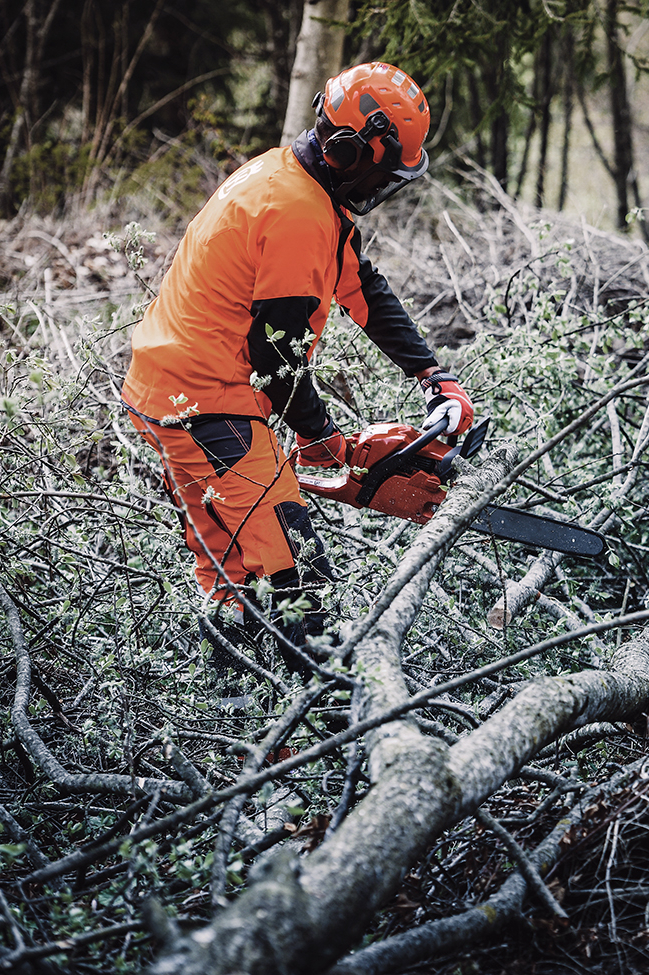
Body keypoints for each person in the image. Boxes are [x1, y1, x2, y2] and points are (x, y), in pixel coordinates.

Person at [121, 62, 472, 674]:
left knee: (232, 576)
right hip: (205, 406)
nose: (381, 187)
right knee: (297, 575)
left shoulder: (291, 178)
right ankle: (323, 711)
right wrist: (326, 443)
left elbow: (361, 285)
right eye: (382, 173)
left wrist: (433, 376)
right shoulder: (296, 215)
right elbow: (277, 359)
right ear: (349, 152)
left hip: (169, 390)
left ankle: (238, 713)